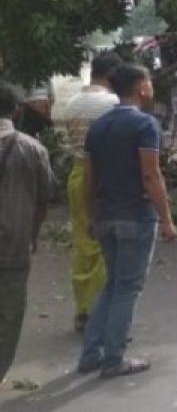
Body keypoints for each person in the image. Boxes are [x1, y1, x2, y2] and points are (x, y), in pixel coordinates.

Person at [78, 64, 177, 378]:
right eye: (149, 82)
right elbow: (150, 174)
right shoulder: (145, 125)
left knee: (112, 285)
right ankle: (114, 359)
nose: (151, 87)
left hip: (105, 215)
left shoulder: (99, 127)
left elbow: (88, 180)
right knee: (127, 288)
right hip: (135, 215)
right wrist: (167, 219)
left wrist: (92, 216)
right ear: (141, 88)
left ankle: (90, 355)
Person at [60, 52, 123, 332]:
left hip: (76, 173)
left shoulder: (71, 103)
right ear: (112, 75)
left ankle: (83, 309)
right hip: (103, 175)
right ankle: (100, 310)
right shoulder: (112, 103)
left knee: (84, 242)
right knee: (105, 245)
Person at [0, 83, 53, 385]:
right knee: (8, 316)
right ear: (17, 110)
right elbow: (43, 200)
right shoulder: (33, 149)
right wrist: (31, 237)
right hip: (13, 245)